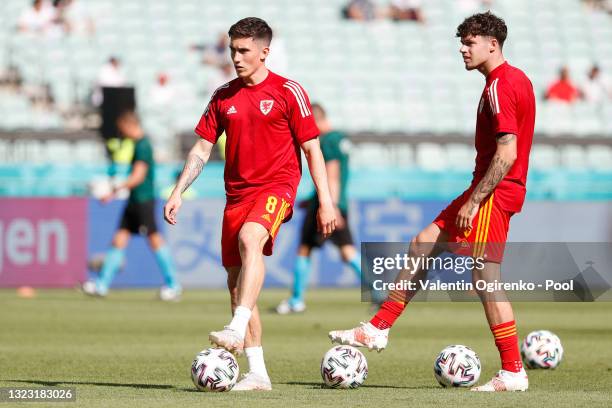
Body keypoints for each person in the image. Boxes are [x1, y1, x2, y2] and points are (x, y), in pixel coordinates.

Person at [329, 11, 535, 392]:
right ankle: (377, 328)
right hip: (485, 188)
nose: (463, 49)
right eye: (462, 42)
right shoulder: (514, 79)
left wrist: (476, 200)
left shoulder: (500, 85)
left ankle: (512, 370)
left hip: (493, 192)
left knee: (485, 277)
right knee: (424, 241)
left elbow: (507, 152)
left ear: (493, 43)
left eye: (470, 42)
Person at [163, 17, 336, 391]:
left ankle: (236, 327)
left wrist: (326, 201)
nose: (236, 58)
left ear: (264, 52)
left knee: (250, 238)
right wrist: (178, 190)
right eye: (232, 50)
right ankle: (257, 372)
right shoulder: (223, 96)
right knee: (235, 281)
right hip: (236, 195)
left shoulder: (289, 92)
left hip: (277, 186)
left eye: (244, 51)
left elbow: (311, 148)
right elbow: (202, 147)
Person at [83, 111, 181, 301]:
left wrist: (113, 190)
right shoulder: (138, 144)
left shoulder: (143, 146)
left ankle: (173, 285)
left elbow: (138, 176)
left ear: (130, 125)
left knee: (154, 240)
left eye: (122, 129)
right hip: (134, 201)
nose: (122, 133)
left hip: (143, 200)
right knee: (119, 239)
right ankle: (102, 285)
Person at [276, 103, 363, 314]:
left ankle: (297, 299)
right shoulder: (340, 138)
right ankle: (380, 293)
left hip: (326, 205)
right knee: (347, 251)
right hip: (337, 202)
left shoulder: (326, 141)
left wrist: (328, 205)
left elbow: (331, 173)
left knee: (304, 249)